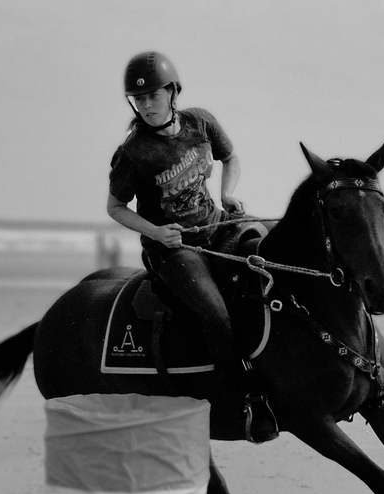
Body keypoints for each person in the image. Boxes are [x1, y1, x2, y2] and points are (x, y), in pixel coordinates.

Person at [107, 51, 277, 443]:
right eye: (140, 99)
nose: (147, 104)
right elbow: (116, 207)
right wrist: (154, 231)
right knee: (216, 313)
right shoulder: (134, 153)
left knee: (268, 253)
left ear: (172, 91)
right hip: (172, 249)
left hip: (215, 226)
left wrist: (228, 194)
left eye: (153, 95)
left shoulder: (200, 122)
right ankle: (237, 396)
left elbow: (230, 156)